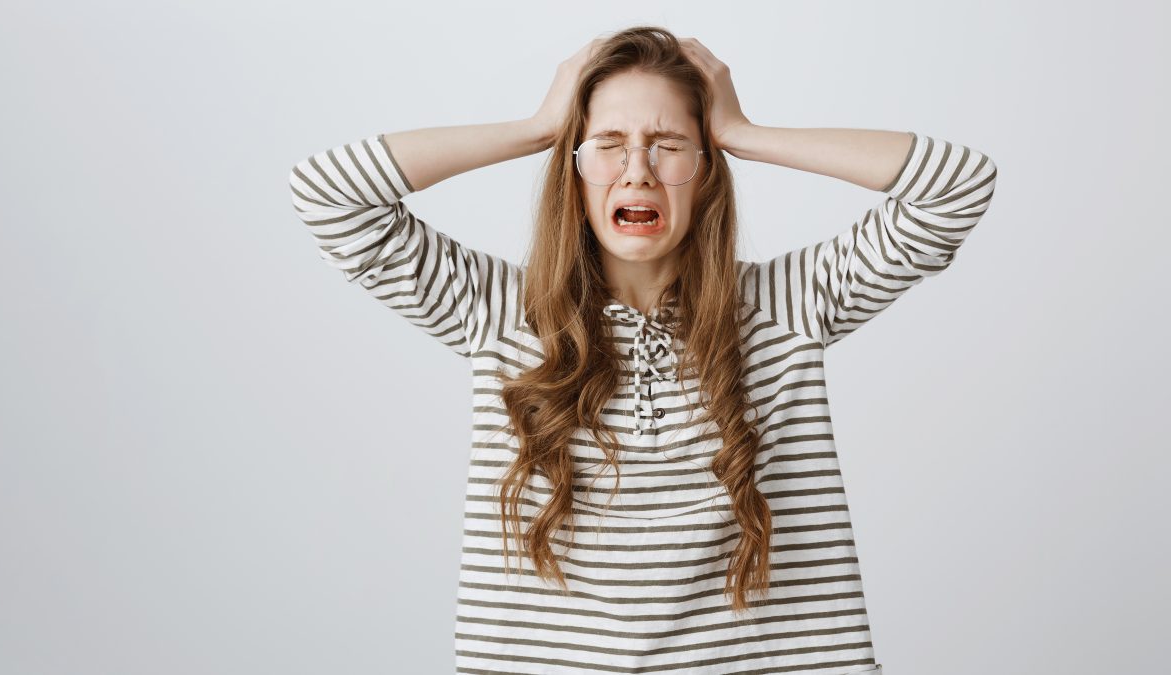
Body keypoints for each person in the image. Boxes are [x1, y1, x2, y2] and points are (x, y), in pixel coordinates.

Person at [288, 24, 996, 675]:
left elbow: (957, 187)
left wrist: (744, 130)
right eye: (609, 143)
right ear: (574, 169)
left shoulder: (787, 306)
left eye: (667, 144)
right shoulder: (502, 313)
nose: (638, 170)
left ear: (707, 166)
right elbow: (328, 195)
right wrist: (538, 127)